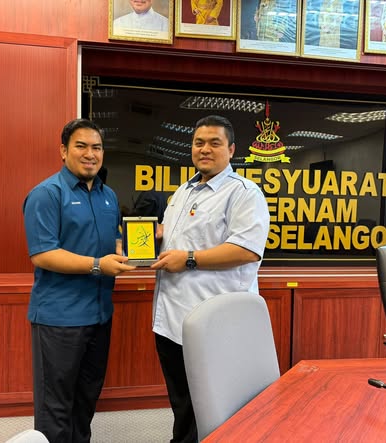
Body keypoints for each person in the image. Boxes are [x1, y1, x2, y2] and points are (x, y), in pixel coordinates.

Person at [150, 115, 270, 443]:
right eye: (198, 143)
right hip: (171, 323)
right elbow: (174, 239)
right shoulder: (182, 192)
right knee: (183, 406)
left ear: (231, 150)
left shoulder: (244, 193)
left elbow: (247, 250)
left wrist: (189, 258)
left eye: (214, 143)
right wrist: (146, 239)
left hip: (212, 325)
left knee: (212, 409)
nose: (205, 149)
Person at [23, 119, 136, 443]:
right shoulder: (46, 194)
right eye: (81, 146)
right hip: (60, 318)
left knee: (86, 402)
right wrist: (99, 265)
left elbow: (112, 239)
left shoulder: (108, 196)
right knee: (55, 408)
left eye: (97, 147)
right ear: (63, 151)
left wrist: (128, 249)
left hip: (100, 315)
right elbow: (43, 254)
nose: (90, 154)